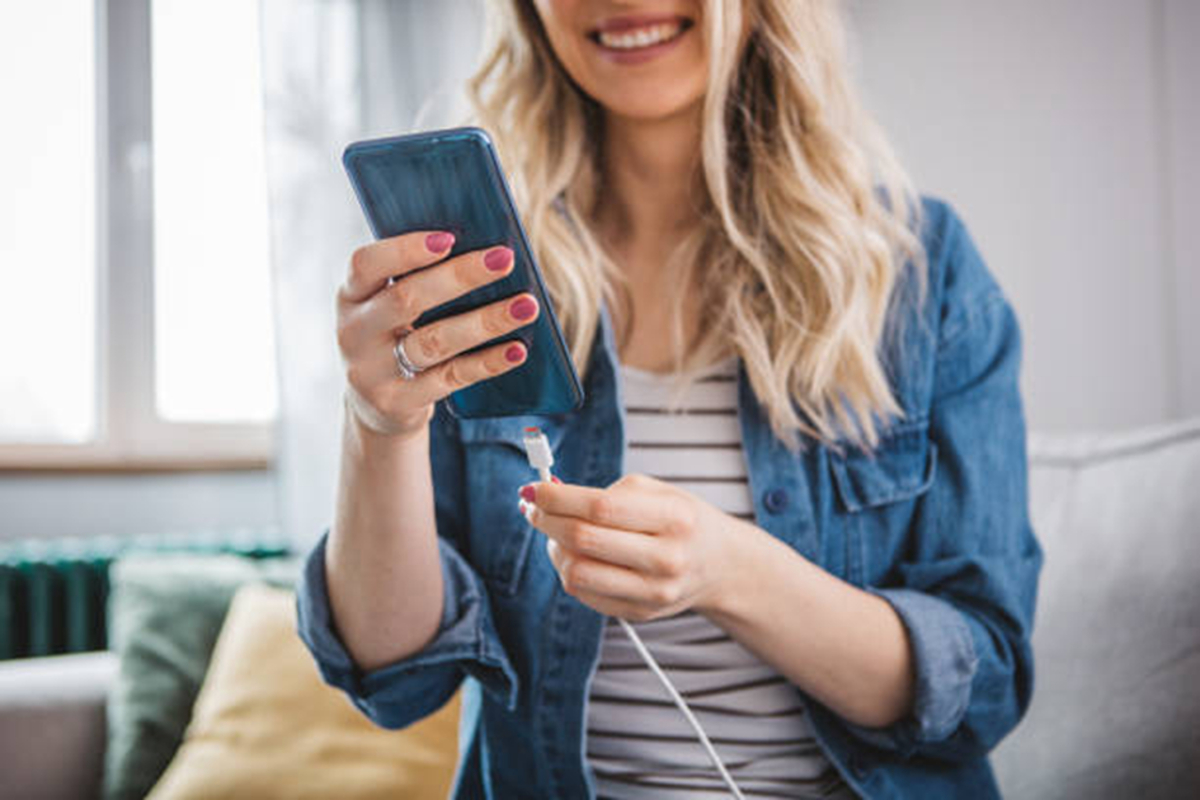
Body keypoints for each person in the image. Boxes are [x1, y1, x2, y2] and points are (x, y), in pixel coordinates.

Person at [296, 1, 1043, 797]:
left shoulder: (920, 276)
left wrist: (730, 571)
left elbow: (983, 683)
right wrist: (381, 423)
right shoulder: (479, 282)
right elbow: (395, 677)